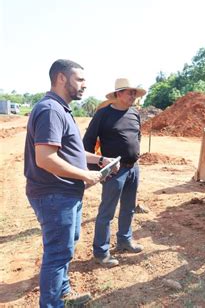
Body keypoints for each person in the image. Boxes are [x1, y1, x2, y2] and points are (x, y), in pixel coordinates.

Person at [24, 59, 111, 307]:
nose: (85, 85)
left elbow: (69, 151)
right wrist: (86, 175)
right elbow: (45, 158)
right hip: (54, 195)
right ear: (61, 78)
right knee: (57, 254)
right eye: (80, 79)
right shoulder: (51, 110)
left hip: (65, 192)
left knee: (66, 247)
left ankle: (63, 292)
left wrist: (100, 159)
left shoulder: (61, 109)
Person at [83, 78, 146, 267]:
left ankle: (124, 241)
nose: (133, 96)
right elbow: (86, 145)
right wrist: (100, 170)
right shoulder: (103, 115)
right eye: (129, 92)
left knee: (129, 207)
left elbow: (137, 137)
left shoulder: (134, 114)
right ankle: (101, 252)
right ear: (118, 94)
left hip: (133, 168)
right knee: (107, 212)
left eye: (134, 93)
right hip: (114, 171)